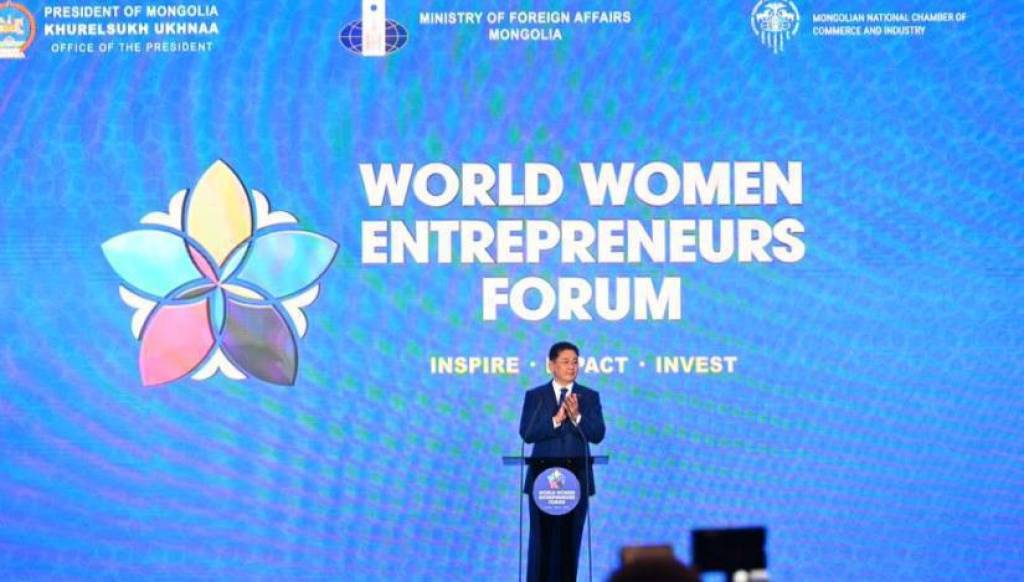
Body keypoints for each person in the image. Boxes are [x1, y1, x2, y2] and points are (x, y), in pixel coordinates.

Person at [519, 341, 606, 582]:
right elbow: (527, 433)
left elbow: (598, 434)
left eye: (575, 362)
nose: (572, 367)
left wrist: (577, 417)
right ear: (551, 365)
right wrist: (556, 419)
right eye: (566, 361)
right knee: (541, 545)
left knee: (570, 545)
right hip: (542, 482)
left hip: (577, 481)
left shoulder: (589, 396)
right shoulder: (535, 396)